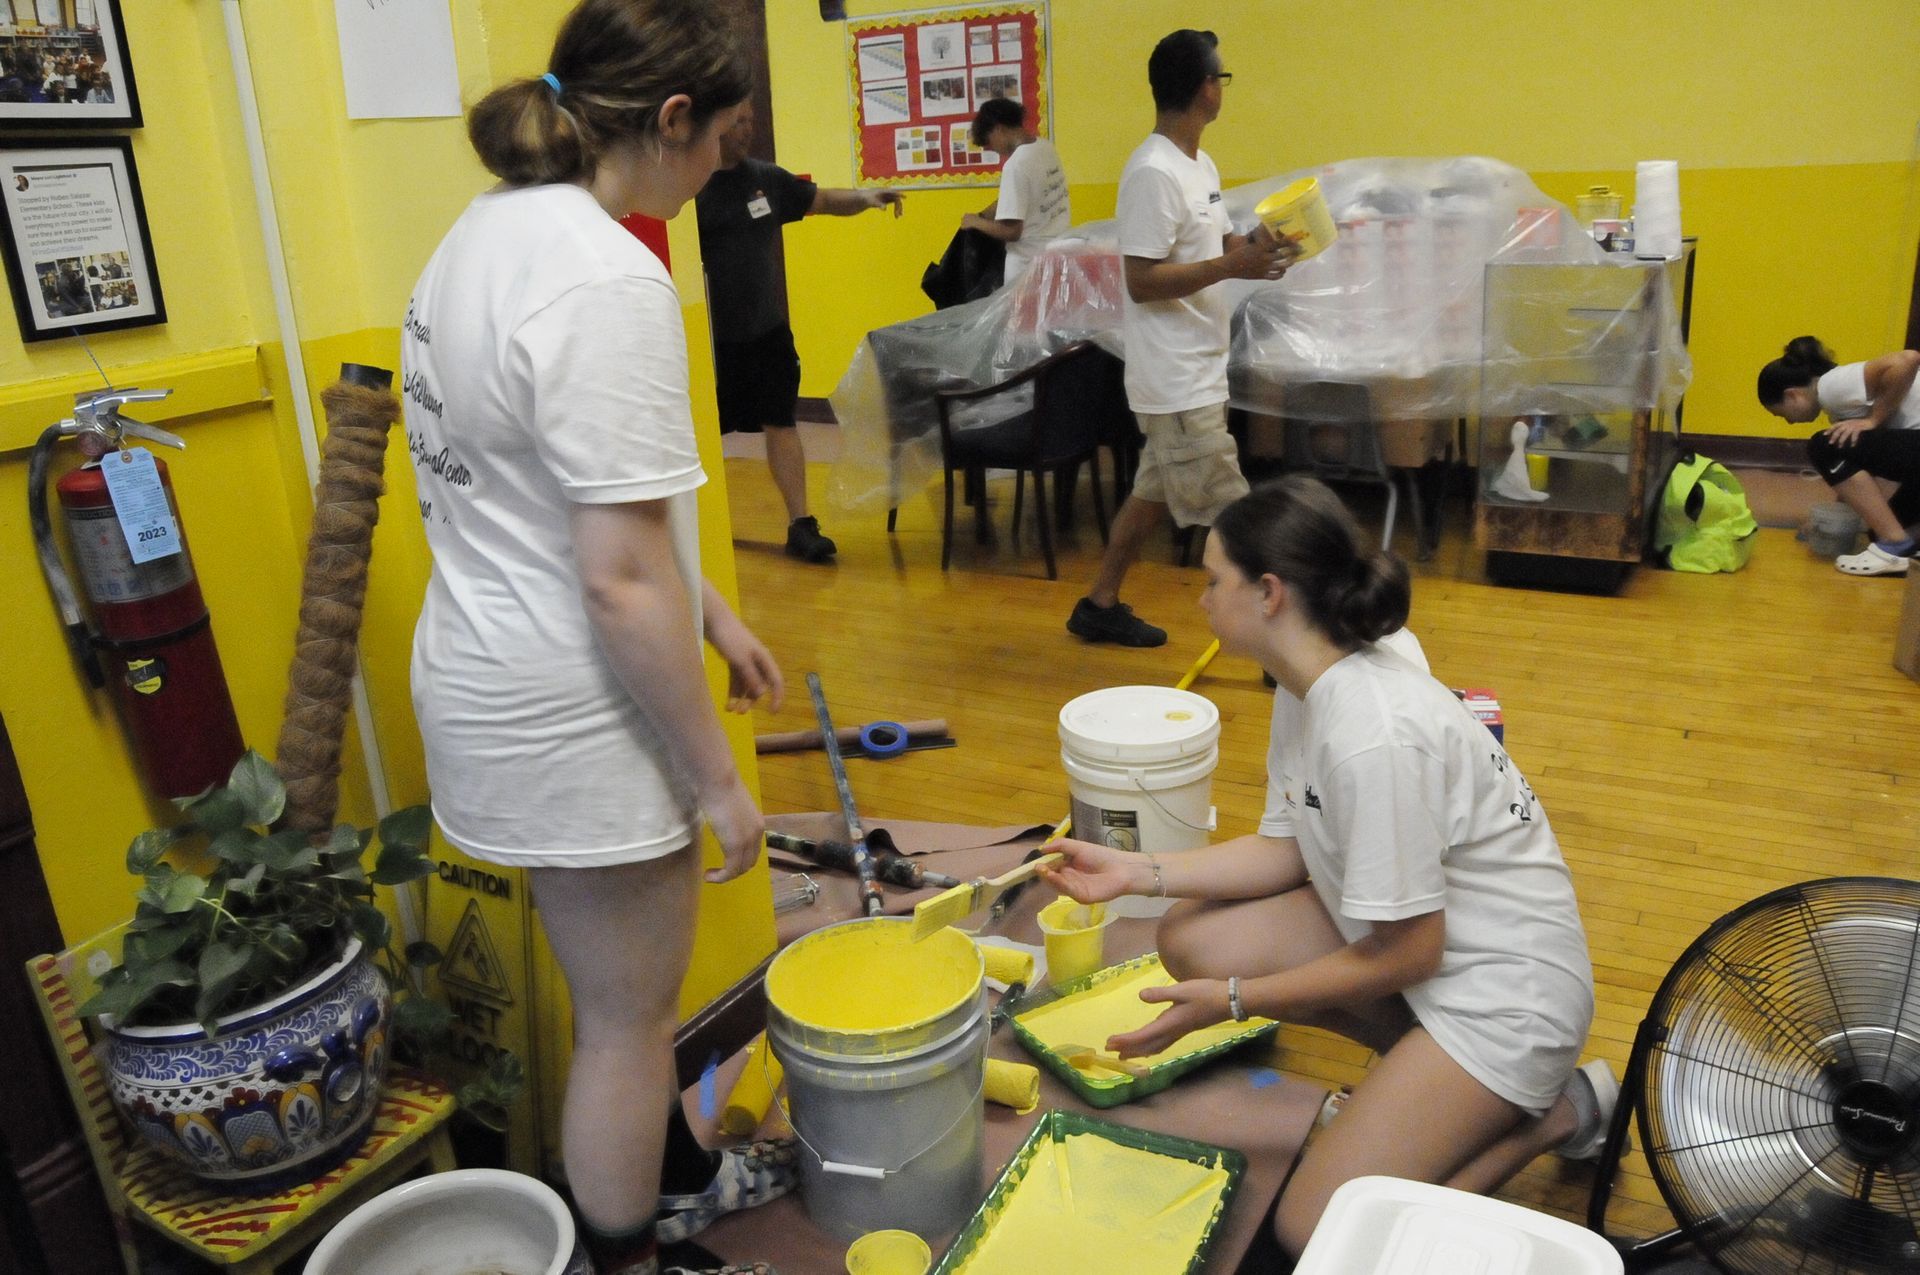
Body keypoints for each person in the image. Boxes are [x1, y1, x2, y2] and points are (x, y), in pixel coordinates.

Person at [401, 4, 790, 1273]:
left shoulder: (480, 236)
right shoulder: (607, 274)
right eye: (724, 138)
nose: (726, 167)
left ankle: (673, 1174)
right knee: (629, 1021)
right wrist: (718, 780)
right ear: (671, 121)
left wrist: (715, 610)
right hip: (572, 708)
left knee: (623, 999)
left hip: (482, 673)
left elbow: (570, 496)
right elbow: (620, 582)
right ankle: (628, 1249)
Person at [1042, 475, 1608, 1258]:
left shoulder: (1372, 730)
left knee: (1315, 1228)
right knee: (1195, 938)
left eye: (1215, 580)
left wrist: (1235, 1001)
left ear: (1269, 592)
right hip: (1439, 955)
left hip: (1506, 1003)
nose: (1202, 598)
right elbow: (1286, 849)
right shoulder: (1311, 677)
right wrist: (1135, 870)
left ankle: (1553, 1114)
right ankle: (1422, 1084)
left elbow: (1411, 951)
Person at [1065, 29, 1292, 648]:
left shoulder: (1199, 164)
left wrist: (1263, 249)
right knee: (1239, 517)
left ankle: (1098, 603)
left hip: (1198, 368)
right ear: (1205, 90)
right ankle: (1283, 648)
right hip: (1175, 381)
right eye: (1221, 76)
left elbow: (1218, 247)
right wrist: (1230, 267)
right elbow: (1139, 280)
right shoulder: (1152, 173)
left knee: (1149, 495)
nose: (1223, 86)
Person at [695, 105, 903, 564]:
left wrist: (867, 198)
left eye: (750, 120)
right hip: (709, 342)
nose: (746, 129)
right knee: (700, 434)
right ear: (713, 125)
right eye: (736, 122)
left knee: (781, 422)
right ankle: (695, 528)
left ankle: (801, 525)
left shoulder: (765, 178)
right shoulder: (691, 187)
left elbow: (823, 200)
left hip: (766, 332)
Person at [1758, 335, 1920, 576]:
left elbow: (1908, 359)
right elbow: (1851, 476)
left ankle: (1894, 544)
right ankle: (1899, 546)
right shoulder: (1838, 405)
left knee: (1821, 445)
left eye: (1783, 414)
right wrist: (1833, 515)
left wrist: (1873, 420)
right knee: (1881, 526)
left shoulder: (1831, 386)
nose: (1790, 422)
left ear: (1793, 395)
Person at [959, 96, 1069, 286]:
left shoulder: (1015, 165)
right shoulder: (1044, 147)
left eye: (990, 143)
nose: (995, 151)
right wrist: (990, 211)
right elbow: (1030, 193)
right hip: (1057, 255)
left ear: (998, 128)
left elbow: (1011, 232)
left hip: (1027, 266)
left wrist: (975, 222)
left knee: (1023, 315)